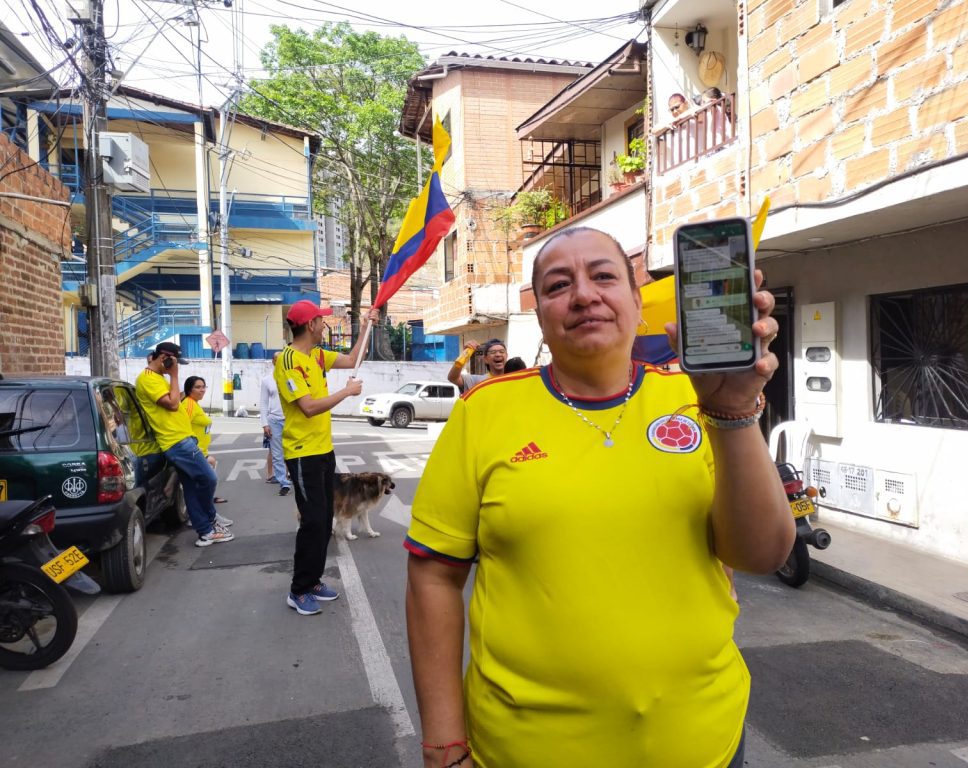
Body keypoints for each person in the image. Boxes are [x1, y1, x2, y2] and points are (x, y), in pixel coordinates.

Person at [405, 227, 794, 768]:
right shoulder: (483, 414)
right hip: (526, 751)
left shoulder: (694, 398)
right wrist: (444, 745)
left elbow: (761, 554)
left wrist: (732, 414)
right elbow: (433, 577)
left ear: (637, 304)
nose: (584, 295)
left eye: (604, 276)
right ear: (540, 316)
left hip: (705, 743)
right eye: (558, 285)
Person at [275, 300, 378, 616]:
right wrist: (347, 393)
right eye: (321, 321)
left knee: (324, 522)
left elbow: (351, 359)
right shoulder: (288, 362)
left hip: (323, 451)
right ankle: (299, 589)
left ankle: (314, 580)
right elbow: (308, 407)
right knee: (314, 521)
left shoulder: (318, 356)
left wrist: (365, 327)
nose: (324, 325)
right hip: (303, 454)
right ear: (310, 326)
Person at [135, 342, 233, 547]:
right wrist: (175, 376)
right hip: (176, 441)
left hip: (181, 438)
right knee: (208, 478)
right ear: (164, 358)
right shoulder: (148, 379)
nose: (176, 366)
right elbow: (172, 405)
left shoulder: (157, 378)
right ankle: (210, 519)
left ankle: (205, 530)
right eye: (174, 362)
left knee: (190, 485)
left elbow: (173, 401)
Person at [182, 376, 231, 514]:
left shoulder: (195, 403)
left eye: (203, 386)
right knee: (206, 482)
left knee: (209, 477)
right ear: (189, 389)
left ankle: (208, 505)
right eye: (198, 387)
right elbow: (184, 428)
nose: (202, 390)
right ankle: (205, 514)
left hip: (202, 451)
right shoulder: (189, 404)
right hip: (195, 452)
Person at [260, 351, 291, 496]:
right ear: (273, 361)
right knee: (277, 454)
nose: (280, 362)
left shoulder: (292, 377)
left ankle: (294, 477)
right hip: (274, 420)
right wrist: (265, 423)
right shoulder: (267, 380)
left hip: (291, 419)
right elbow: (263, 403)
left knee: (293, 451)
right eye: (277, 359)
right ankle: (283, 482)